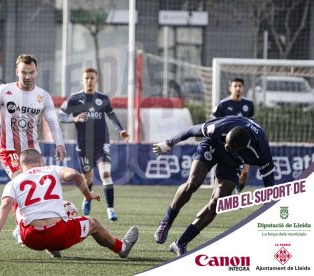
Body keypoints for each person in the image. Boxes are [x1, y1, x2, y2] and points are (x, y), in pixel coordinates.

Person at [0, 149, 138, 259]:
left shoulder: (14, 182)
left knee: (15, 204)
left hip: (31, 238)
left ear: (21, 165)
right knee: (93, 223)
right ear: (41, 161)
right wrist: (87, 194)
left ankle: (21, 236)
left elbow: (5, 204)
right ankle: (121, 248)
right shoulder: (51, 169)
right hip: (59, 234)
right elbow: (74, 174)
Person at [152, 115, 275, 256]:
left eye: (229, 146)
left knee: (218, 202)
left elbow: (269, 180)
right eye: (226, 143)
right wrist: (168, 143)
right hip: (213, 143)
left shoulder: (261, 151)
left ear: (242, 147)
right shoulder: (219, 128)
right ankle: (166, 222)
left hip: (234, 160)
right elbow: (191, 130)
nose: (226, 146)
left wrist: (268, 203)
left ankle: (181, 243)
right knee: (193, 183)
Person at [59, 67, 130, 221]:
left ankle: (110, 209)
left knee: (105, 173)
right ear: (82, 80)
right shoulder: (74, 98)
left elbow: (112, 115)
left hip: (101, 143)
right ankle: (87, 198)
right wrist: (75, 119)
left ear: (96, 80)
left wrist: (120, 130)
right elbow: (61, 116)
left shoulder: (103, 99)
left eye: (92, 78)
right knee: (88, 178)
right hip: (84, 146)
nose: (89, 81)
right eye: (87, 78)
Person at [212, 78, 254, 192]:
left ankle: (237, 191)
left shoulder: (249, 104)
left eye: (240, 86)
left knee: (245, 173)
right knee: (223, 172)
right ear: (230, 88)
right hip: (226, 145)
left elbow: (252, 124)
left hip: (243, 144)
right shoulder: (223, 104)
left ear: (243, 88)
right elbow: (214, 123)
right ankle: (219, 192)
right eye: (235, 86)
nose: (238, 88)